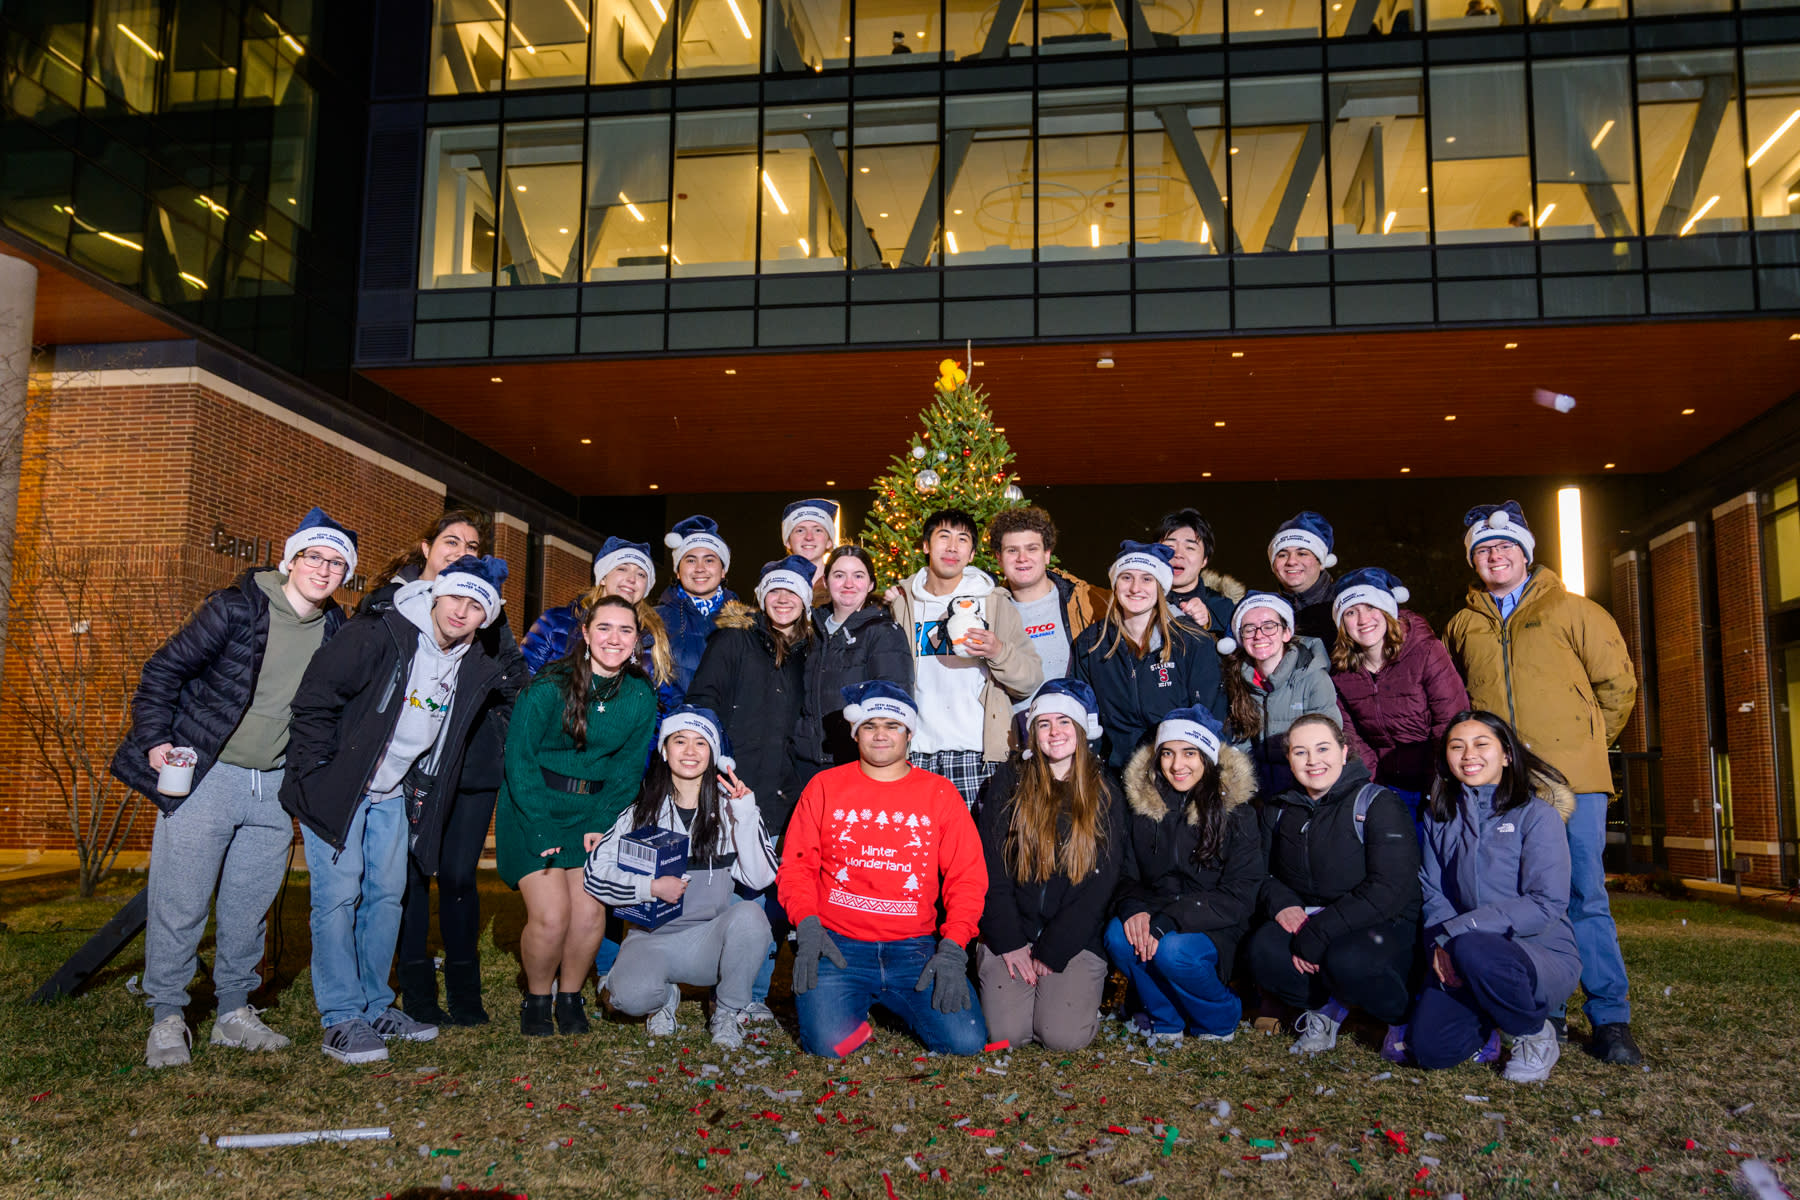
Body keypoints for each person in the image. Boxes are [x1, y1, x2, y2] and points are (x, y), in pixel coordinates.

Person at [113, 507, 356, 1069]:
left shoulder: (337, 629)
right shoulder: (236, 608)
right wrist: (154, 739)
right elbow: (163, 671)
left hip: (275, 787)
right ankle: (168, 1015)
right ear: (290, 560)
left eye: (336, 563)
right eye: (314, 557)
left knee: (250, 907)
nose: (323, 570)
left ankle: (232, 1012)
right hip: (206, 776)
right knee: (181, 902)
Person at [283, 555, 517, 1064]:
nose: (462, 611)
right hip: (341, 790)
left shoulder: (472, 661)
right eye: (456, 596)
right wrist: (316, 774)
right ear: (436, 593)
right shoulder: (380, 631)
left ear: (488, 617)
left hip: (392, 794)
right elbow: (317, 698)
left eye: (477, 605)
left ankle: (375, 1003)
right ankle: (341, 1017)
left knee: (387, 897)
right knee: (338, 898)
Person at [1443, 501, 1642, 1065]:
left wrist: (1580, 746)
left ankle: (1609, 1017)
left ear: (1526, 553)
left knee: (1583, 894)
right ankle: (1542, 1003)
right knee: (1519, 899)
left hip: (1572, 781)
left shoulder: (1576, 610)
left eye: (1505, 545)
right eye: (1483, 549)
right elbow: (1461, 704)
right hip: (1505, 787)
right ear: (1474, 561)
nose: (1495, 554)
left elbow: (1617, 688)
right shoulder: (1462, 624)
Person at [361, 508, 525, 1029]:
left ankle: (465, 990)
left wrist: (494, 735)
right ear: (428, 546)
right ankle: (416, 991)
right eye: (451, 541)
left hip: (473, 765)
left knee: (458, 876)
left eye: (473, 546)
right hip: (409, 767)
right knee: (409, 876)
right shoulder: (391, 603)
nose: (461, 551)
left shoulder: (488, 613)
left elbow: (514, 684)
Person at [778, 680, 989, 1058]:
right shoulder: (824, 787)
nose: (881, 735)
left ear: (908, 734)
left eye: (892, 726)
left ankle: (895, 1003)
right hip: (838, 944)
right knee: (831, 1046)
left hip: (914, 948)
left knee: (966, 1042)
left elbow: (967, 877)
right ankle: (860, 1001)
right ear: (856, 733)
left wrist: (955, 947)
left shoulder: (939, 793)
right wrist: (807, 926)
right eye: (870, 726)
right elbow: (797, 866)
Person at [496, 595, 657, 1036]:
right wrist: (541, 823)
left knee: (589, 917)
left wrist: (601, 822)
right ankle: (537, 995)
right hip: (535, 807)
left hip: (591, 813)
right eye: (604, 628)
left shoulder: (640, 694)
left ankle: (569, 997)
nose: (614, 639)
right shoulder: (550, 684)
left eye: (625, 631)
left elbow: (628, 769)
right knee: (552, 917)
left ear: (637, 641)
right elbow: (519, 759)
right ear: (586, 633)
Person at [585, 707, 778, 1048]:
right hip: (652, 938)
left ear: (714, 754)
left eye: (701, 743)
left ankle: (727, 1011)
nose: (690, 751)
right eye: (680, 741)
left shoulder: (731, 809)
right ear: (664, 750)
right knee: (627, 999)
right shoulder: (640, 812)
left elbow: (760, 878)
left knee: (751, 916)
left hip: (708, 941)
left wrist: (745, 815)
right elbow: (595, 875)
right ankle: (662, 998)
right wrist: (649, 887)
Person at [1410, 711, 1579, 1083]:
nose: (1468, 754)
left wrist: (1457, 933)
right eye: (1457, 746)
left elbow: (1546, 903)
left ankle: (1533, 1033)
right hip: (1462, 949)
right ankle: (1490, 1017)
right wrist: (1440, 941)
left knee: (1476, 949)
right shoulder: (1440, 817)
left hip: (1537, 952)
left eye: (1481, 744)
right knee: (1431, 1051)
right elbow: (1434, 890)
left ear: (1506, 754)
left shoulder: (1537, 816)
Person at [687, 555, 816, 1015]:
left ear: (804, 601)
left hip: (786, 787)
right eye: (775, 591)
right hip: (736, 781)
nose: (784, 599)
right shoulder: (734, 641)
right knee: (731, 887)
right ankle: (721, 985)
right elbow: (702, 700)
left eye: (793, 593)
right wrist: (718, 755)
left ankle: (754, 990)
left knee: (773, 890)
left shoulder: (809, 652)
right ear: (762, 598)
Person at [1247, 714, 1420, 1056]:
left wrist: (1320, 932)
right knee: (1263, 949)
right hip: (1314, 915)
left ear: (1344, 752)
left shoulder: (1377, 803)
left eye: (1323, 748)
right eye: (1300, 752)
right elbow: (1259, 873)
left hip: (1379, 919)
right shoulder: (1279, 809)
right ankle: (1325, 1009)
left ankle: (1398, 1018)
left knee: (1349, 960)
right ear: (1289, 760)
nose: (1313, 761)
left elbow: (1390, 887)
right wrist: (1283, 904)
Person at [973, 680, 1123, 1052]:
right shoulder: (1008, 783)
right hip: (1012, 930)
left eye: (1065, 722)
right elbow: (990, 867)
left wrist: (1053, 948)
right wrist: (1008, 940)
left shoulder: (1105, 791)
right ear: (1032, 732)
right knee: (1007, 1035)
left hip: (1071, 937)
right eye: (1044, 724)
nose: (1054, 733)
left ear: (1082, 730)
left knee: (1062, 1037)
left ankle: (1062, 997)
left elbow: (1100, 886)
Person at [1107, 706, 1262, 1044]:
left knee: (1173, 951)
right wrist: (1133, 907)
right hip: (1157, 910)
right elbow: (1124, 873)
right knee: (1119, 935)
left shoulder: (1237, 812)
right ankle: (1166, 1018)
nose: (1178, 765)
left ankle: (1219, 1016)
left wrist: (1172, 919)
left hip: (1213, 922)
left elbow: (1241, 893)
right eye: (1168, 753)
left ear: (1207, 756)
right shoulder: (1142, 808)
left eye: (1189, 753)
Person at [887, 508, 1043, 809]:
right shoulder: (904, 605)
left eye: (962, 540)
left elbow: (1030, 678)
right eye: (943, 537)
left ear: (971, 554)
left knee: (977, 852)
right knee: (920, 851)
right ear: (926, 546)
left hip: (977, 753)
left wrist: (998, 651)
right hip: (916, 751)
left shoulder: (995, 604)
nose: (952, 547)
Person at [1329, 567, 1469, 822]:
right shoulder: (1342, 673)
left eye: (1371, 607)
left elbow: (1450, 722)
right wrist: (1374, 787)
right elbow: (1354, 737)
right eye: (1351, 612)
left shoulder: (1425, 651)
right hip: (1387, 786)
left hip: (1439, 782)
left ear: (1386, 611)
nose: (1363, 620)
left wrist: (1437, 785)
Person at [1072, 541, 1227, 772]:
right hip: (1117, 775)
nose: (1135, 588)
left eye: (1147, 579)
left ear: (1160, 587)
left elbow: (1210, 714)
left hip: (1177, 773)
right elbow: (1084, 715)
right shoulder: (1090, 644)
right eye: (1126, 577)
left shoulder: (1191, 641)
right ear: (1115, 584)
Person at [793, 545, 911, 785]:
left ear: (870, 585)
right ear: (825, 581)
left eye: (858, 576)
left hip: (854, 763)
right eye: (839, 575)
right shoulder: (809, 630)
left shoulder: (884, 632)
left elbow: (893, 703)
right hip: (804, 763)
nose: (848, 583)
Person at [1219, 592, 1347, 794]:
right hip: (1259, 793)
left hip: (1302, 790)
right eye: (1249, 628)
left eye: (1269, 626)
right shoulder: (1238, 681)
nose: (1259, 635)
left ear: (1286, 632)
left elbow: (1328, 745)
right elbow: (1241, 746)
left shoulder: (1313, 679)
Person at [517, 536, 674, 690]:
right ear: (603, 578)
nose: (632, 579)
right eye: (622, 568)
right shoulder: (556, 622)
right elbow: (520, 681)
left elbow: (661, 703)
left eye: (641, 574)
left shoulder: (653, 639)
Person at [987, 506, 1108, 691]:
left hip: (1076, 717)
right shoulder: (989, 611)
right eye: (1012, 550)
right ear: (999, 559)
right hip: (1011, 719)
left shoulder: (1087, 602)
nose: (1022, 558)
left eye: (1032, 549)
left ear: (1047, 555)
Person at [656, 515, 736, 708]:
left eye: (709, 560)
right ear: (677, 570)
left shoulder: (747, 623)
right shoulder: (654, 619)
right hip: (673, 731)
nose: (700, 568)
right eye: (691, 560)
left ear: (723, 570)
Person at [1157, 508, 1243, 632]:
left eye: (1190, 548)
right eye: (1170, 546)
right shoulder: (1137, 600)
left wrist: (1208, 621)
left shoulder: (1224, 608)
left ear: (1204, 560)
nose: (1178, 554)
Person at [1267, 511, 1339, 646]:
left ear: (1321, 562)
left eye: (1302, 553)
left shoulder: (1343, 606)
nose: (1291, 561)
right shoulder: (1267, 612)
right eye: (1282, 555)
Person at [781, 499, 839, 604]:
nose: (809, 537)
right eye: (800, 530)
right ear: (788, 541)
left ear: (829, 541)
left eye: (817, 530)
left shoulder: (842, 585)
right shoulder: (775, 586)